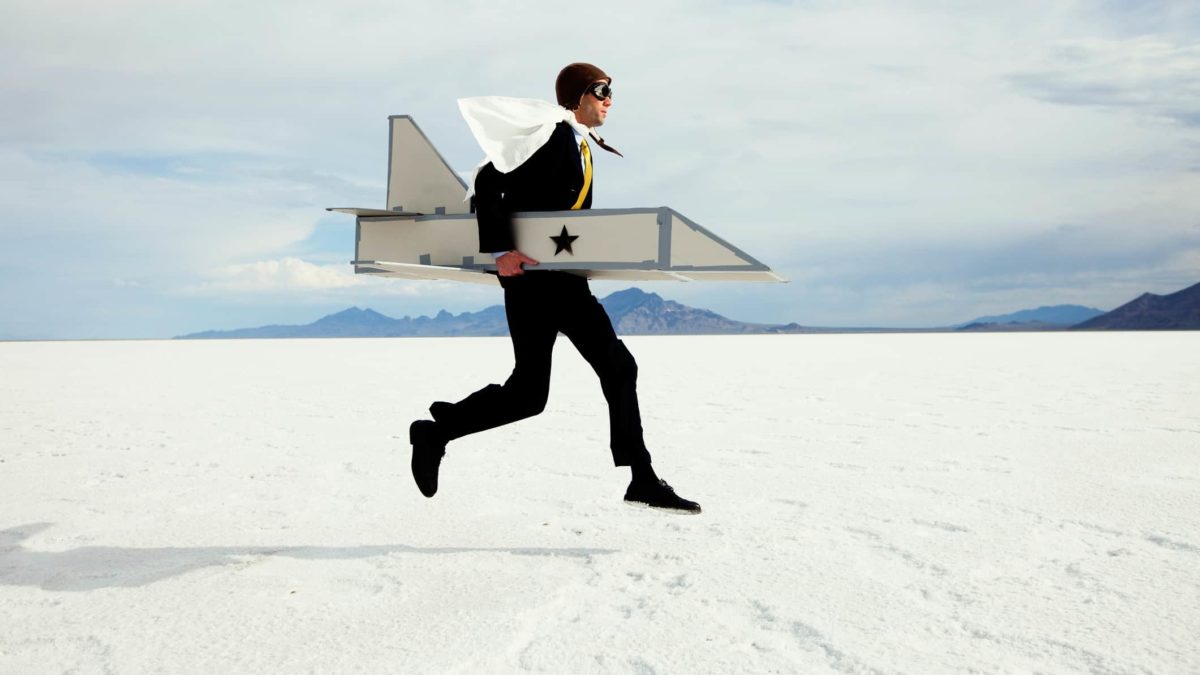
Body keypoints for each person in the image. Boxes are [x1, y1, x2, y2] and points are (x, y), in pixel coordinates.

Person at [408, 63, 700, 514]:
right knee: (615, 369)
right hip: (539, 281)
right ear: (579, 96)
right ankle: (641, 477)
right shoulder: (554, 136)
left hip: (549, 281)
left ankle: (437, 432)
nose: (609, 100)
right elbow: (489, 179)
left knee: (531, 393)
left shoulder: (574, 142)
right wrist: (500, 250)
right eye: (602, 91)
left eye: (610, 92)